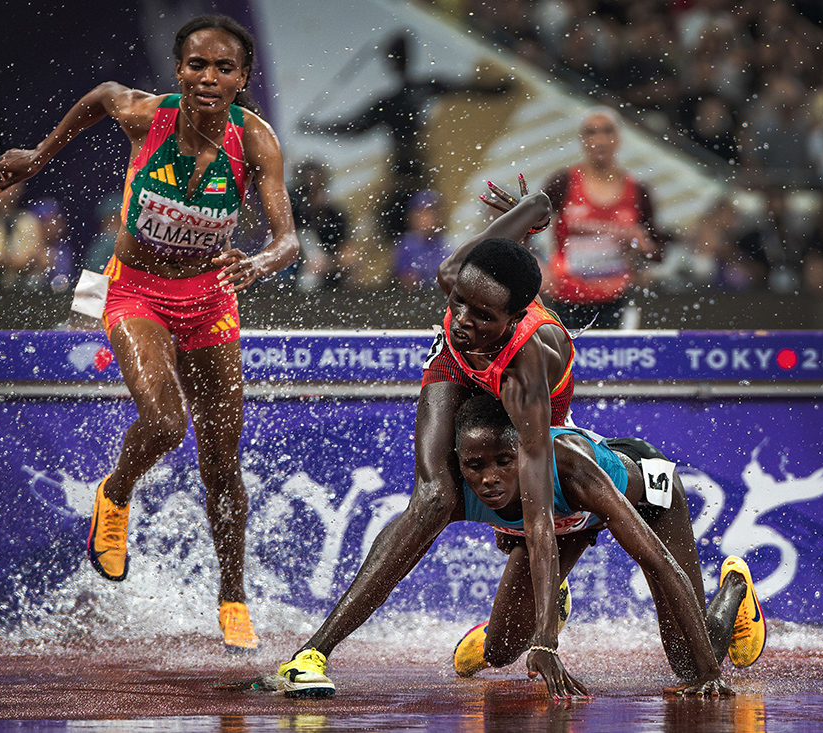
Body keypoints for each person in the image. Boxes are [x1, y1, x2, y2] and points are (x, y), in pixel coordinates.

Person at [0, 14, 299, 651]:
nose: (208, 78)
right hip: (134, 288)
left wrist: (265, 259)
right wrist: (40, 157)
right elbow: (100, 94)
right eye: (196, 65)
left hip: (211, 297)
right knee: (163, 423)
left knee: (221, 459)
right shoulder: (143, 115)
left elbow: (288, 237)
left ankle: (232, 595)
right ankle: (116, 492)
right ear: (179, 70)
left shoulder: (257, 141)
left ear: (244, 78)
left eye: (224, 68)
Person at [273, 177, 581, 698]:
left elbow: (538, 514)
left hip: (524, 396)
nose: (462, 322)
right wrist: (532, 210)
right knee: (434, 496)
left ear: (511, 317)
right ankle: (311, 653)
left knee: (516, 569)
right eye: (457, 305)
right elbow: (522, 224)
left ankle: (537, 605)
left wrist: (546, 639)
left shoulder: (530, 368)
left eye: (482, 315)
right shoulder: (455, 280)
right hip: (458, 372)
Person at [448, 396, 764, 696]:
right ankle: (552, 601)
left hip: (643, 497)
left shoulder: (571, 469)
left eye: (503, 461)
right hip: (572, 512)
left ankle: (736, 587)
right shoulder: (463, 485)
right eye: (476, 466)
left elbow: (661, 564)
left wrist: (709, 673)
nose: (488, 479)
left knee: (687, 663)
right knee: (500, 652)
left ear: (521, 454)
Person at [300, 32, 509, 241]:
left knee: (411, 231)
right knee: (414, 231)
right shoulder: (420, 89)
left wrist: (317, 127)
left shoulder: (394, 100)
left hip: (407, 176)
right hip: (413, 176)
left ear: (391, 64)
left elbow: (353, 128)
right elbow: (471, 88)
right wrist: (499, 89)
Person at [540, 107, 662, 330]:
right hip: (565, 298)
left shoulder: (637, 191)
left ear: (618, 138)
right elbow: (523, 230)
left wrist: (641, 248)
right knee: (566, 363)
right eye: (591, 132)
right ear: (582, 140)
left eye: (607, 131)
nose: (600, 140)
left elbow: (656, 251)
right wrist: (538, 266)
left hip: (616, 300)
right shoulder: (562, 183)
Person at [287, 159, 349, 292]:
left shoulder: (333, 214)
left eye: (318, 188)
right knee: (304, 236)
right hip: (293, 266)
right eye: (308, 189)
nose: (313, 194)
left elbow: (345, 251)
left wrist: (330, 264)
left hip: (325, 270)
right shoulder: (293, 211)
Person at [393, 190, 450, 289]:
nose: (425, 218)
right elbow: (407, 279)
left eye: (430, 213)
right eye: (420, 213)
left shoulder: (449, 242)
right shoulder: (407, 244)